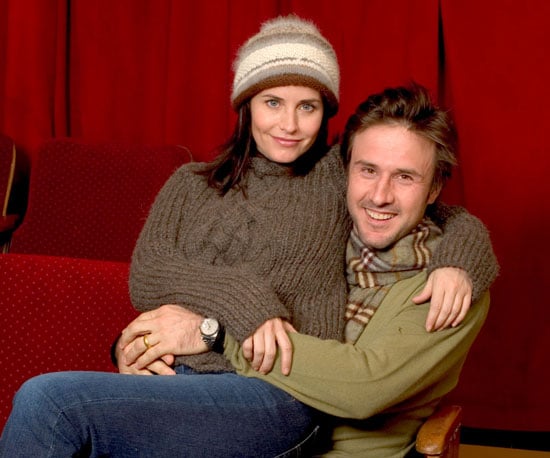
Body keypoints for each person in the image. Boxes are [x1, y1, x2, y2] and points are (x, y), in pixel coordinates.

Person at [0, 16, 497, 457]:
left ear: (327, 115)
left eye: (308, 107)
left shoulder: (332, 176)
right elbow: (149, 275)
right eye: (273, 102)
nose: (288, 123)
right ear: (245, 104)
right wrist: (232, 306)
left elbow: (432, 207)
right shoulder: (191, 184)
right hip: (182, 380)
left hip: (273, 393)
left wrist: (460, 259)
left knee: (50, 404)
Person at [223, 84, 495, 456]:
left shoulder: (448, 284)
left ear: (433, 189)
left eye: (404, 177)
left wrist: (220, 336)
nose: (380, 194)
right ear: (344, 172)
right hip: (261, 433)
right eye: (368, 170)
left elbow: (363, 387)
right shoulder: (322, 236)